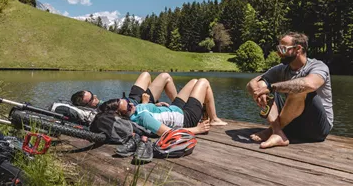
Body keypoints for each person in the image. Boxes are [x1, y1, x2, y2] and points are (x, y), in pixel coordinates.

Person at [246, 31, 333, 149]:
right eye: (278, 48)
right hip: (292, 125)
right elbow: (253, 84)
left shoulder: (318, 66)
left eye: (282, 49)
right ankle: (277, 132)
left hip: (317, 129)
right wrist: (258, 90)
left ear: (298, 49)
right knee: (264, 87)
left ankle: (272, 131)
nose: (278, 53)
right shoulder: (281, 69)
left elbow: (310, 84)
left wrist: (271, 87)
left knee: (300, 89)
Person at [98, 78, 228, 136]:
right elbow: (168, 132)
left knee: (194, 82)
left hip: (173, 109)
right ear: (121, 115)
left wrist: (155, 106)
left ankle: (206, 114)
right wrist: (197, 129)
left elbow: (142, 109)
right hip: (186, 119)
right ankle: (214, 118)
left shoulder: (134, 112)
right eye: (128, 108)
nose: (132, 104)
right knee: (203, 82)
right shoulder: (142, 118)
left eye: (128, 101)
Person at [71, 72, 178, 109]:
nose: (95, 96)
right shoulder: (102, 110)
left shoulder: (98, 105)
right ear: (87, 106)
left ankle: (154, 103)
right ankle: (181, 108)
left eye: (91, 94)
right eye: (91, 99)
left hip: (131, 98)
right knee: (165, 76)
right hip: (139, 104)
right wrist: (150, 106)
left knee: (146, 75)